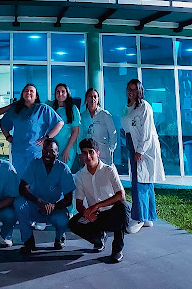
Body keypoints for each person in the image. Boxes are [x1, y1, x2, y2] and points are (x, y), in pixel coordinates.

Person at [69, 138, 129, 263]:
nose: (88, 156)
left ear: (98, 153)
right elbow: (79, 203)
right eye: (84, 153)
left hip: (112, 212)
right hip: (95, 216)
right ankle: (98, 238)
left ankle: (117, 249)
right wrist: (86, 213)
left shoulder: (109, 170)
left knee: (123, 208)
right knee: (73, 223)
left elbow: (121, 195)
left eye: (91, 152)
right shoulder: (80, 176)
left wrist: (95, 206)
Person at [15, 138, 75, 255]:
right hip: (35, 206)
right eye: (45, 150)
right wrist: (39, 202)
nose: (47, 154)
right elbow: (22, 188)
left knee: (63, 219)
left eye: (52, 151)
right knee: (19, 203)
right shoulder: (34, 164)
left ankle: (59, 237)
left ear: (57, 153)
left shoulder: (63, 169)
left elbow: (68, 200)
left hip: (54, 209)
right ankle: (28, 240)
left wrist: (52, 206)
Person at [121, 78, 165, 232]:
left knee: (140, 182)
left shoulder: (144, 106)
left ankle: (138, 217)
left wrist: (140, 150)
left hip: (143, 148)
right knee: (145, 181)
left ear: (139, 91)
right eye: (129, 89)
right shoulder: (128, 107)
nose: (131, 92)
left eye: (134, 89)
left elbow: (146, 131)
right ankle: (148, 216)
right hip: (132, 144)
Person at [0, 84, 64, 177]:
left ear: (36, 95)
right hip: (18, 151)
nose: (28, 93)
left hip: (35, 151)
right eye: (26, 91)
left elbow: (60, 123)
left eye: (31, 91)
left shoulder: (43, 109)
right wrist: (8, 136)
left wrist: (47, 138)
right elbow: (3, 124)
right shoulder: (15, 109)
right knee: (19, 178)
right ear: (22, 94)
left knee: (35, 178)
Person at [79, 88, 117, 165]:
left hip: (103, 152)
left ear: (98, 99)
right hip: (88, 153)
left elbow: (113, 133)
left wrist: (111, 148)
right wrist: (80, 152)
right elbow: (80, 135)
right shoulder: (82, 116)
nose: (93, 99)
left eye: (95, 97)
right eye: (90, 96)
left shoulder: (105, 115)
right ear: (86, 99)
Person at [51, 83, 81, 171]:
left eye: (63, 92)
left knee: (64, 171)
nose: (60, 94)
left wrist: (67, 149)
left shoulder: (73, 109)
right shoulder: (52, 108)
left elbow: (75, 131)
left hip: (67, 147)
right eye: (58, 92)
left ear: (67, 93)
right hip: (54, 146)